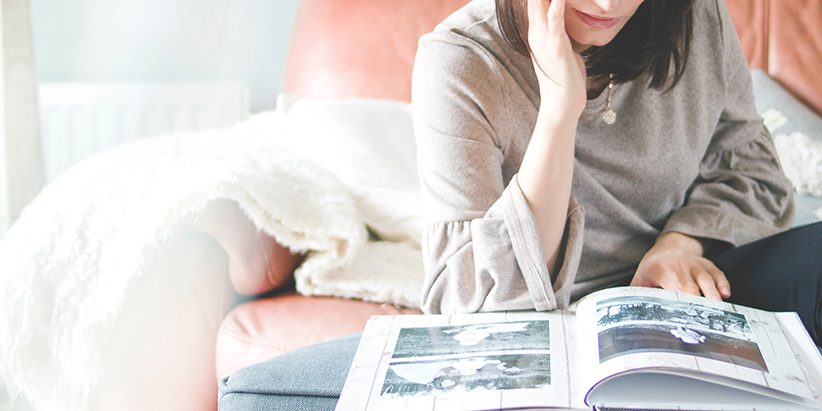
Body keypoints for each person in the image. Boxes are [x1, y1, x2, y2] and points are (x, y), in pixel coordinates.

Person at [218, 0, 821, 409]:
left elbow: (756, 169)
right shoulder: (461, 60)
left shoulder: (694, 20)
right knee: (258, 393)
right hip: (536, 328)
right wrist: (559, 108)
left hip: (680, 300)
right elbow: (472, 304)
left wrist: (679, 244)